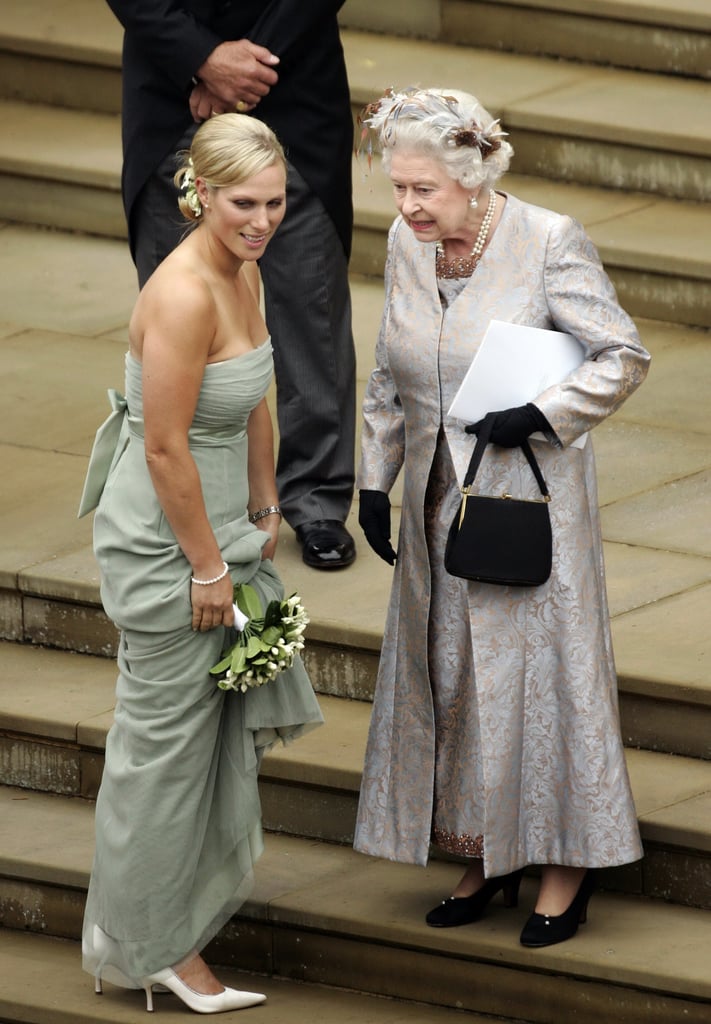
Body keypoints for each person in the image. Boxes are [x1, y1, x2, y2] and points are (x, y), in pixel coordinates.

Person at [354, 87, 649, 948]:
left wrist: (544, 412)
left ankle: (565, 863)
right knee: (458, 677)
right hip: (440, 502)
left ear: (475, 177)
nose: (407, 206)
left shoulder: (546, 239)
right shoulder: (405, 246)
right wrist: (375, 478)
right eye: (398, 188)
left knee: (543, 678)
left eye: (424, 191)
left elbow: (622, 356)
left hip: (527, 500)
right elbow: (386, 372)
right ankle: (487, 849)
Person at [78, 114, 323, 1012]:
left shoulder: (243, 268)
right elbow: (166, 451)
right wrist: (212, 569)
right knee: (164, 754)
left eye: (275, 202)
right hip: (172, 543)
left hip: (226, 528)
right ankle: (153, 947)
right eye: (243, 204)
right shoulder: (182, 292)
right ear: (201, 195)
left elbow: (256, 397)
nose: (262, 220)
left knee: (201, 746)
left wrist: (265, 509)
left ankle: (166, 931)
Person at [104, 0, 357, 569]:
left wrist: (246, 70)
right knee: (182, 328)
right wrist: (202, 58)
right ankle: (176, 505)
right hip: (171, 95)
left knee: (311, 314)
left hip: (296, 92)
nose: (260, 215)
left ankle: (314, 499)